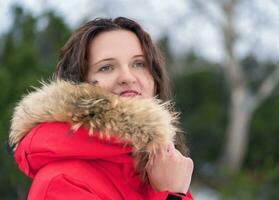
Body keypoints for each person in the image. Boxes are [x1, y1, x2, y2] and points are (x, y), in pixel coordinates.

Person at [9, 17, 194, 200]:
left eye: (139, 64)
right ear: (77, 86)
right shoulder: (61, 182)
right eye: (106, 67)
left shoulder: (163, 170)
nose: (127, 77)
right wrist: (173, 194)